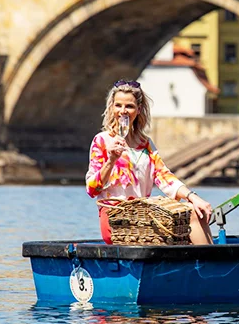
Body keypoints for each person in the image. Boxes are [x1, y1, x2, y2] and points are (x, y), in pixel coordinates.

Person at [86, 80, 213, 245]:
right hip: (116, 218)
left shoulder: (145, 143)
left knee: (196, 210)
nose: (123, 111)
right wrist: (111, 160)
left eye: (129, 106)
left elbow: (163, 176)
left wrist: (193, 197)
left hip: (144, 214)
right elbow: (91, 189)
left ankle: (208, 263)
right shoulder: (102, 141)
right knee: (191, 215)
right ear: (112, 108)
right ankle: (210, 266)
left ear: (138, 110)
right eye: (118, 105)